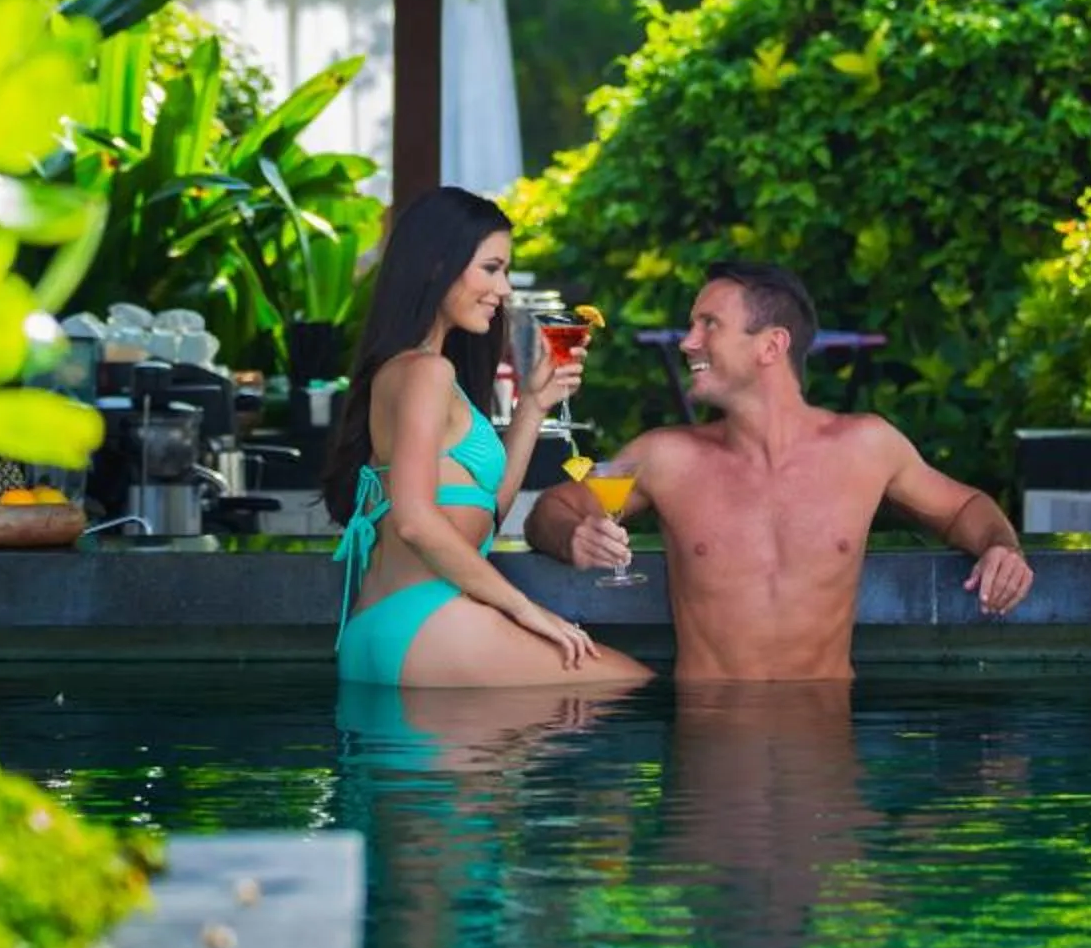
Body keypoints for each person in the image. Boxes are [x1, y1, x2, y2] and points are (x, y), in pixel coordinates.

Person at [525, 261, 1032, 681]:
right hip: (713, 750)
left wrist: (1000, 547)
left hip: (822, 745)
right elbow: (553, 508)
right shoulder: (667, 457)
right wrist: (573, 535)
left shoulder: (865, 447)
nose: (687, 342)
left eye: (709, 325)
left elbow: (966, 506)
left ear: (771, 346)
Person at [326, 186, 652, 689]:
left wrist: (533, 408)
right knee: (634, 684)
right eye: (492, 268)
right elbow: (414, 520)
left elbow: (485, 513)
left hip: (379, 633)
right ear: (437, 265)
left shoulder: (404, 371)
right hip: (430, 625)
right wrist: (526, 611)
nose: (503, 291)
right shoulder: (426, 372)